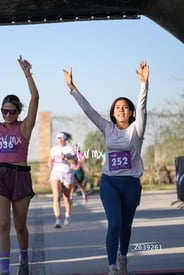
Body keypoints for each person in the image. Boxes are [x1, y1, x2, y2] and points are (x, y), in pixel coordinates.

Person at [63, 60, 150, 275]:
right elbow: (88, 110)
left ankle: (123, 257)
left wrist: (144, 85)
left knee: (126, 226)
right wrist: (73, 88)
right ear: (113, 112)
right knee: (114, 223)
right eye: (117, 107)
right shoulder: (107, 128)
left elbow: (143, 107)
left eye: (125, 107)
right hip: (109, 182)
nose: (121, 110)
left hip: (130, 184)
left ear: (130, 112)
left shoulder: (136, 130)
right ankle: (112, 266)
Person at [0, 55, 39, 275]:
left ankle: (23, 258)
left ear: (18, 112)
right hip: (0, 177)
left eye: (11, 111)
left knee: (19, 226)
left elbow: (35, 99)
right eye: (4, 111)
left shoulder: (25, 127)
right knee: (3, 224)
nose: (7, 114)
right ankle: (5, 271)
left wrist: (27, 74)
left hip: (20, 176)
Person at [48, 131, 76, 229]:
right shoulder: (53, 149)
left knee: (66, 197)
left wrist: (66, 157)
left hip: (66, 173)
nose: (60, 140)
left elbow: (74, 161)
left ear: (65, 139)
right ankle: (57, 220)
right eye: (58, 138)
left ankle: (67, 215)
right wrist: (50, 163)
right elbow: (50, 159)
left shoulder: (69, 149)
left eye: (62, 138)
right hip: (56, 173)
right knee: (56, 197)